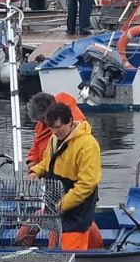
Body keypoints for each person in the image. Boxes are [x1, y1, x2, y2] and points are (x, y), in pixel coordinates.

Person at [28, 103, 103, 250]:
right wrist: (36, 171)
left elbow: (87, 184)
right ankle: (96, 247)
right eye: (51, 127)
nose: (54, 131)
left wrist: (64, 204)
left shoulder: (87, 145)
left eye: (57, 127)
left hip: (76, 208)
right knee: (54, 241)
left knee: (70, 254)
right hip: (55, 202)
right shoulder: (54, 139)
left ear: (69, 121)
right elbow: (48, 162)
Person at [23, 91, 87, 166]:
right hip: (45, 170)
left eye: (43, 119)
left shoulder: (73, 121)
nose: (43, 122)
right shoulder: (41, 125)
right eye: (40, 120)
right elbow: (35, 146)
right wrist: (32, 161)